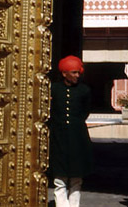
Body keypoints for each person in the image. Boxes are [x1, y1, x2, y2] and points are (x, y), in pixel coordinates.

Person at [49, 55, 93, 207]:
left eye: (78, 73)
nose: (77, 75)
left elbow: (85, 112)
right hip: (58, 136)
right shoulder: (54, 89)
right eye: (74, 72)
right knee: (59, 176)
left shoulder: (84, 90)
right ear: (64, 73)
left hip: (77, 136)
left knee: (76, 176)